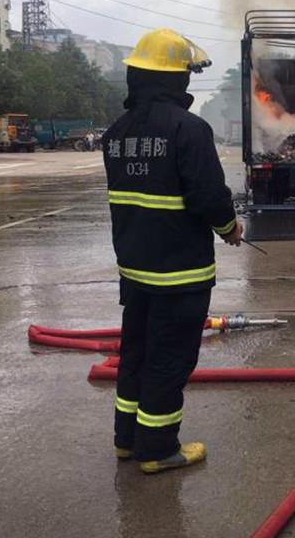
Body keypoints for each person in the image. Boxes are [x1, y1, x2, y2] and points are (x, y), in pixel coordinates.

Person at [102, 27, 241, 474]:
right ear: (177, 80)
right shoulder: (190, 129)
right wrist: (230, 227)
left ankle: (127, 439)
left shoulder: (117, 133)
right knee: (169, 359)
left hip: (136, 270)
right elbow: (209, 197)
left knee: (137, 352)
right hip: (180, 274)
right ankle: (159, 448)